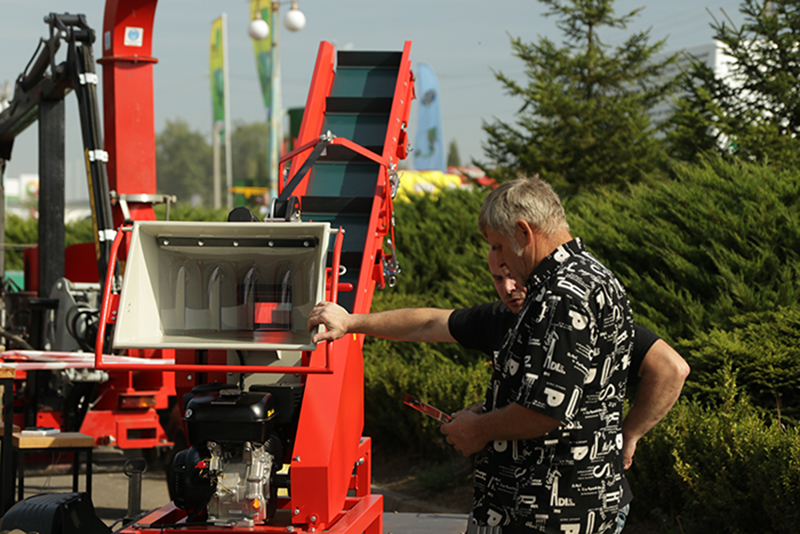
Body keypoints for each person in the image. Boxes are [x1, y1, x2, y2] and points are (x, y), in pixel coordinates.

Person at [308, 177, 687, 532]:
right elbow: (570, 393)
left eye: (499, 246)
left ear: (524, 232)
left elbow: (545, 411)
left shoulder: (558, 297)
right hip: (579, 502)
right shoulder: (596, 278)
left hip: (544, 511)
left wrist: (478, 429)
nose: (501, 263)